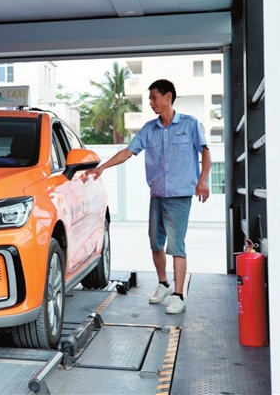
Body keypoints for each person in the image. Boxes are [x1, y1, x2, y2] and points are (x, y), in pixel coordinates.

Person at [83, 79, 211, 314]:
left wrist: (203, 180)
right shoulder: (149, 129)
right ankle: (163, 284)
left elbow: (205, 151)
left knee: (176, 246)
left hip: (179, 196)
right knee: (155, 243)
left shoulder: (190, 124)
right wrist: (102, 168)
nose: (151, 103)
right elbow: (127, 152)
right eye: (150, 98)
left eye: (153, 98)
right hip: (157, 195)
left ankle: (178, 295)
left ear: (168, 97)